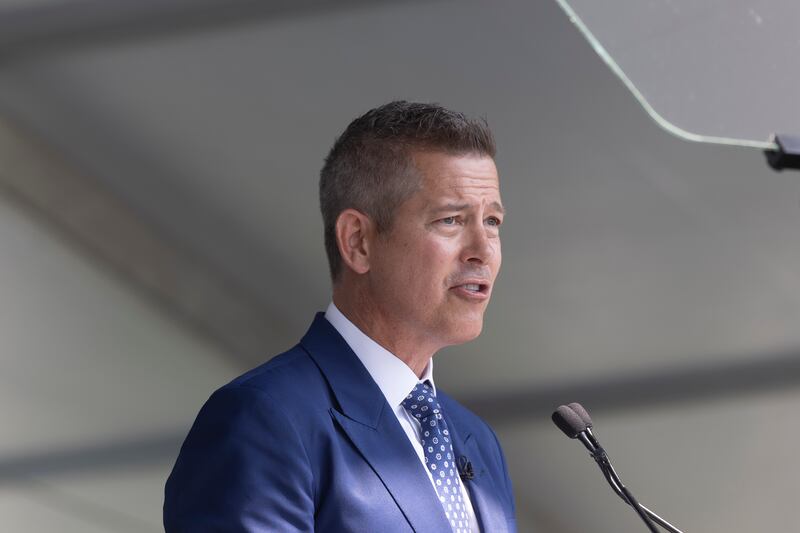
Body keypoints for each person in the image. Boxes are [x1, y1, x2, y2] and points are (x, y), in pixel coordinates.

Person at [163, 101, 516, 532]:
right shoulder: (264, 419)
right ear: (358, 242)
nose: (483, 249)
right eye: (451, 220)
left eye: (493, 221)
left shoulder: (477, 441)